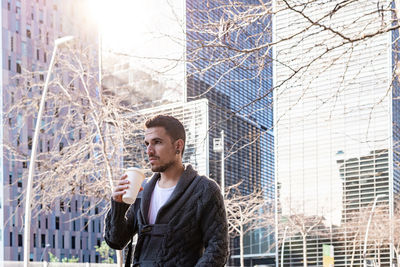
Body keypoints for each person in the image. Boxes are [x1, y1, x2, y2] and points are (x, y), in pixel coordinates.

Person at [104, 115, 229, 267]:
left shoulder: (204, 190)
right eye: (147, 144)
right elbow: (116, 241)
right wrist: (118, 206)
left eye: (157, 142)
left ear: (178, 146)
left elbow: (218, 249)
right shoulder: (142, 190)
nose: (149, 151)